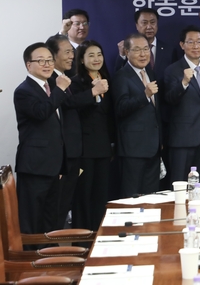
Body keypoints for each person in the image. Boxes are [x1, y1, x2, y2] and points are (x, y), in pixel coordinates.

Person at [13, 43, 69, 235]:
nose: (47, 64)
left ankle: (49, 259)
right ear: (29, 65)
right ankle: (30, 262)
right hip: (34, 166)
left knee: (50, 218)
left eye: (50, 60)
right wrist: (60, 90)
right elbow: (41, 112)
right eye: (41, 61)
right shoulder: (24, 90)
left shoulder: (50, 86)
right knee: (31, 220)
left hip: (52, 166)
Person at [45, 35, 99, 230]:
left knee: (64, 203)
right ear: (53, 55)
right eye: (67, 52)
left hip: (72, 151)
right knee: (57, 206)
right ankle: (51, 251)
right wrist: (92, 93)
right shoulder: (52, 80)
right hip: (62, 154)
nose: (71, 56)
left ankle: (56, 248)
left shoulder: (63, 78)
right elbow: (67, 103)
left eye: (71, 51)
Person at [164, 26, 200, 183]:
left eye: (199, 42)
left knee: (199, 186)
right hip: (182, 138)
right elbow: (169, 99)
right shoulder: (172, 70)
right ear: (182, 45)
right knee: (180, 185)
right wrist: (184, 82)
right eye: (191, 42)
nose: (195, 46)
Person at [70, 40, 113, 231]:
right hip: (84, 149)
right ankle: (82, 238)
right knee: (83, 196)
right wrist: (93, 92)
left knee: (101, 195)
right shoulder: (76, 82)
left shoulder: (106, 78)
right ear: (81, 59)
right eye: (91, 55)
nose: (97, 59)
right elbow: (72, 105)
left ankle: (98, 233)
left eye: (99, 54)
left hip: (103, 148)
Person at [112, 33, 162, 197]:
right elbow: (120, 108)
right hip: (132, 149)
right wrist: (144, 95)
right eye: (137, 50)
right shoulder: (121, 76)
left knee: (151, 197)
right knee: (131, 196)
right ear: (126, 52)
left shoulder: (150, 72)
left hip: (153, 147)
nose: (143, 54)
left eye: (146, 49)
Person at [114, 8, 178, 79]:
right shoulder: (129, 48)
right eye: (144, 23)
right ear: (137, 26)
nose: (149, 27)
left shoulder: (169, 50)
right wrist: (122, 56)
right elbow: (118, 76)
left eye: (152, 22)